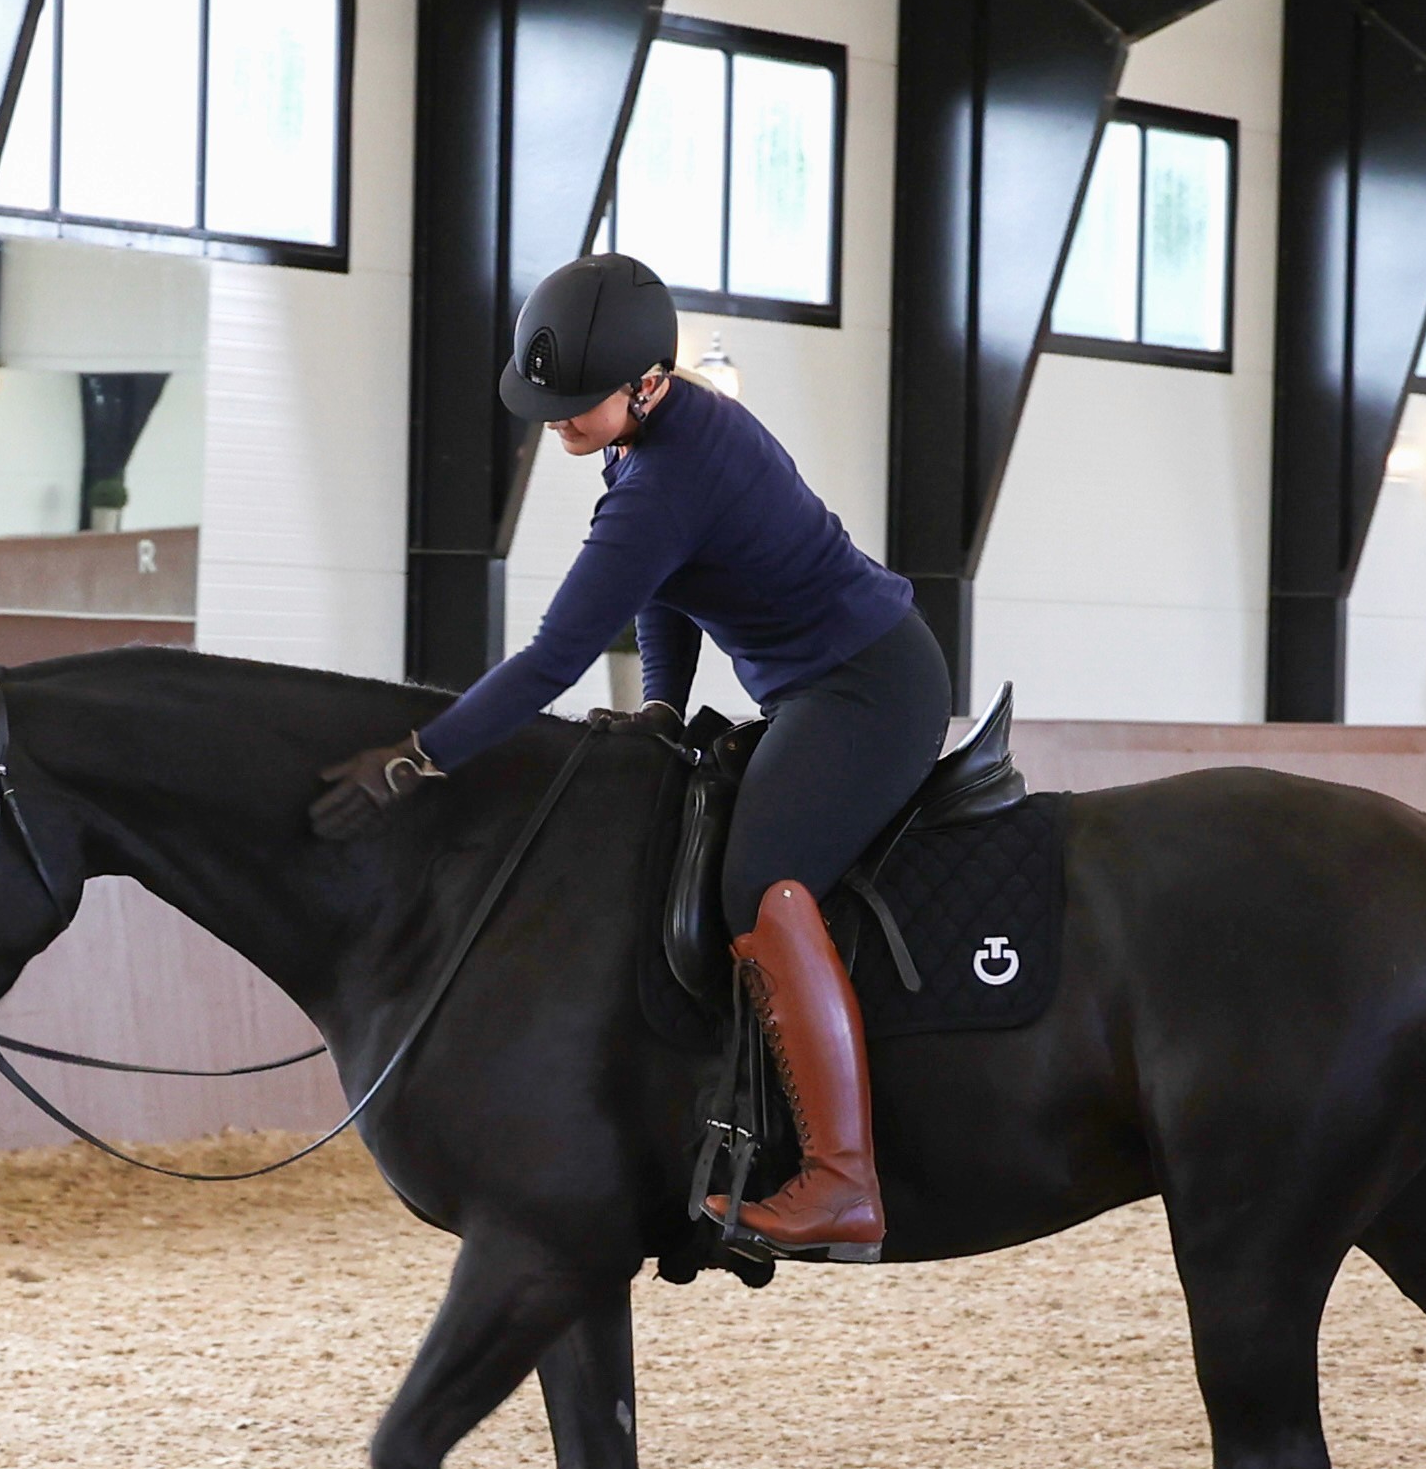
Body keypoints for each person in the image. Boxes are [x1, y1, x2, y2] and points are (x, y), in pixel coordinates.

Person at [310, 252, 952, 1261]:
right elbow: (665, 587)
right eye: (547, 400)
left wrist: (418, 758)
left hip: (867, 692)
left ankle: (841, 1181)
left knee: (760, 884)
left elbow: (555, 660)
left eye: (574, 403)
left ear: (647, 382)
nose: (553, 420)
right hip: (813, 686)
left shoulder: (664, 476)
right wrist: (659, 701)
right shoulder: (650, 442)